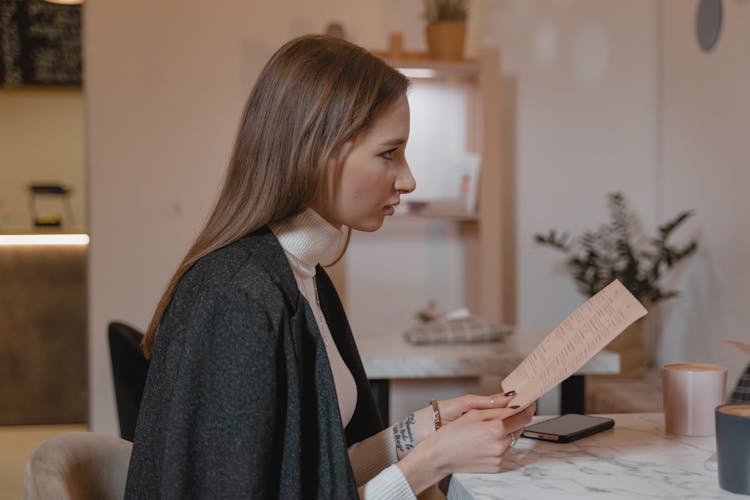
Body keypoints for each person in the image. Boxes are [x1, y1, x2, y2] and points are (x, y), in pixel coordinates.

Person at [125, 34, 535, 499]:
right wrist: (433, 462)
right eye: (389, 153)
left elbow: (319, 475)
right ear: (316, 152)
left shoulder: (302, 276)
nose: (408, 178)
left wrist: (429, 427)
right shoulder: (237, 299)